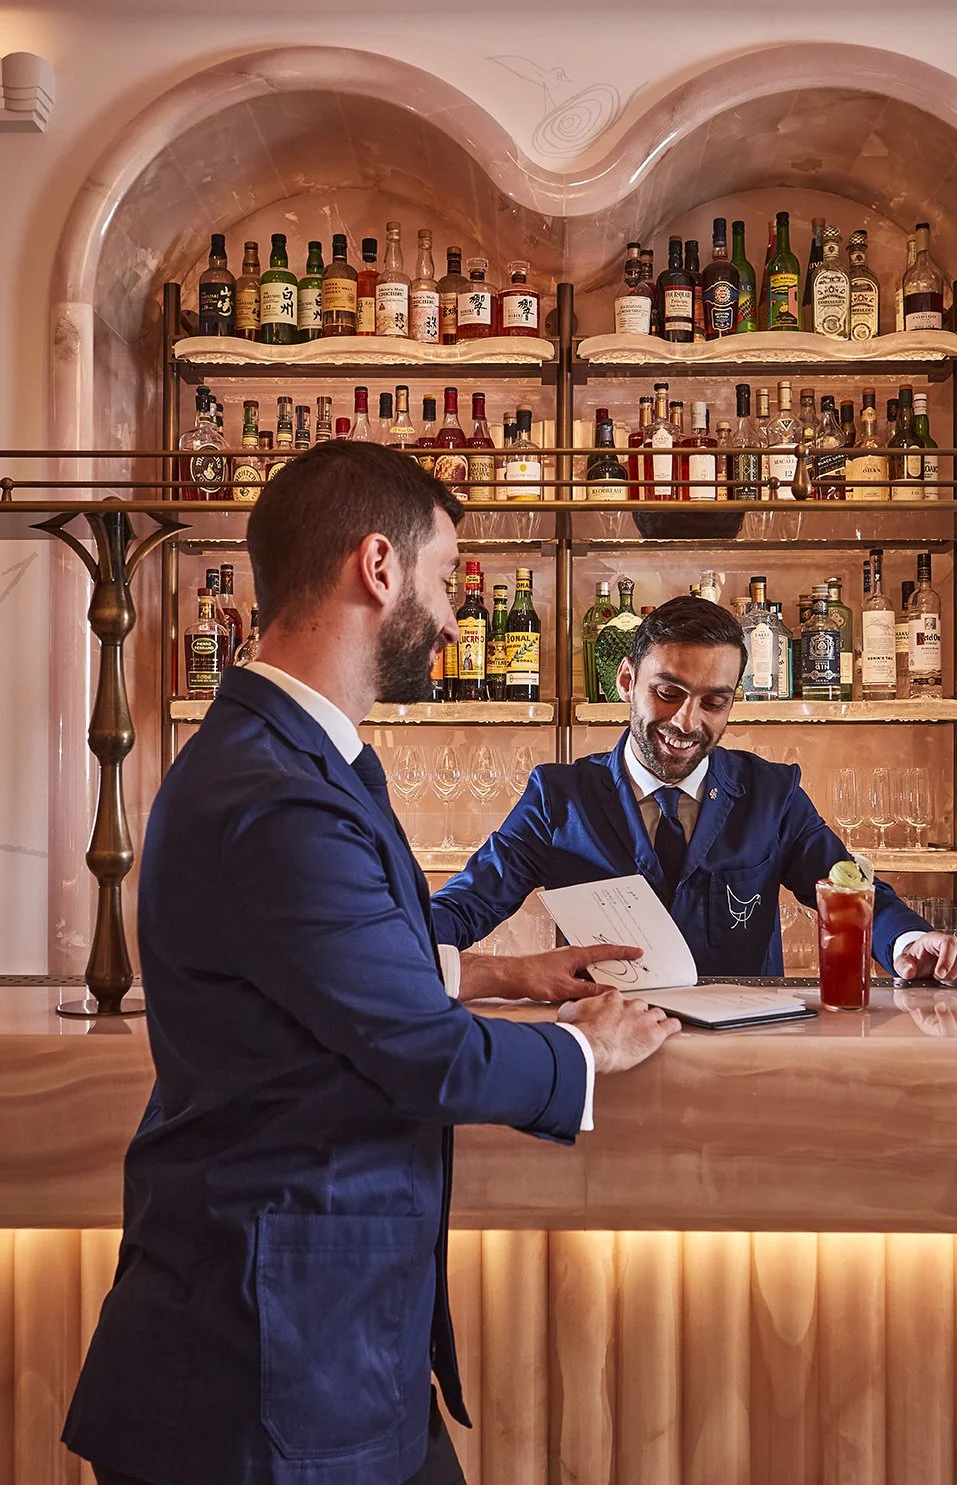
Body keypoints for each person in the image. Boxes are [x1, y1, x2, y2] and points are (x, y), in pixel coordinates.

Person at [63, 442, 678, 1485]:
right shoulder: (280, 791)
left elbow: (312, 971)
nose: (450, 617)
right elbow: (416, 1054)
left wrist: (497, 974)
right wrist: (582, 1052)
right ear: (378, 566)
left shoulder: (293, 755)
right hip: (264, 1358)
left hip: (316, 1339)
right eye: (443, 580)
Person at [433, 596, 957, 987]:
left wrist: (909, 942)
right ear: (627, 681)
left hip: (743, 1066)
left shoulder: (772, 794)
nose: (686, 721)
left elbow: (846, 888)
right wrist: (387, 944)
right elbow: (468, 902)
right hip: (607, 1051)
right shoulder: (560, 797)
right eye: (668, 692)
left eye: (713, 702)